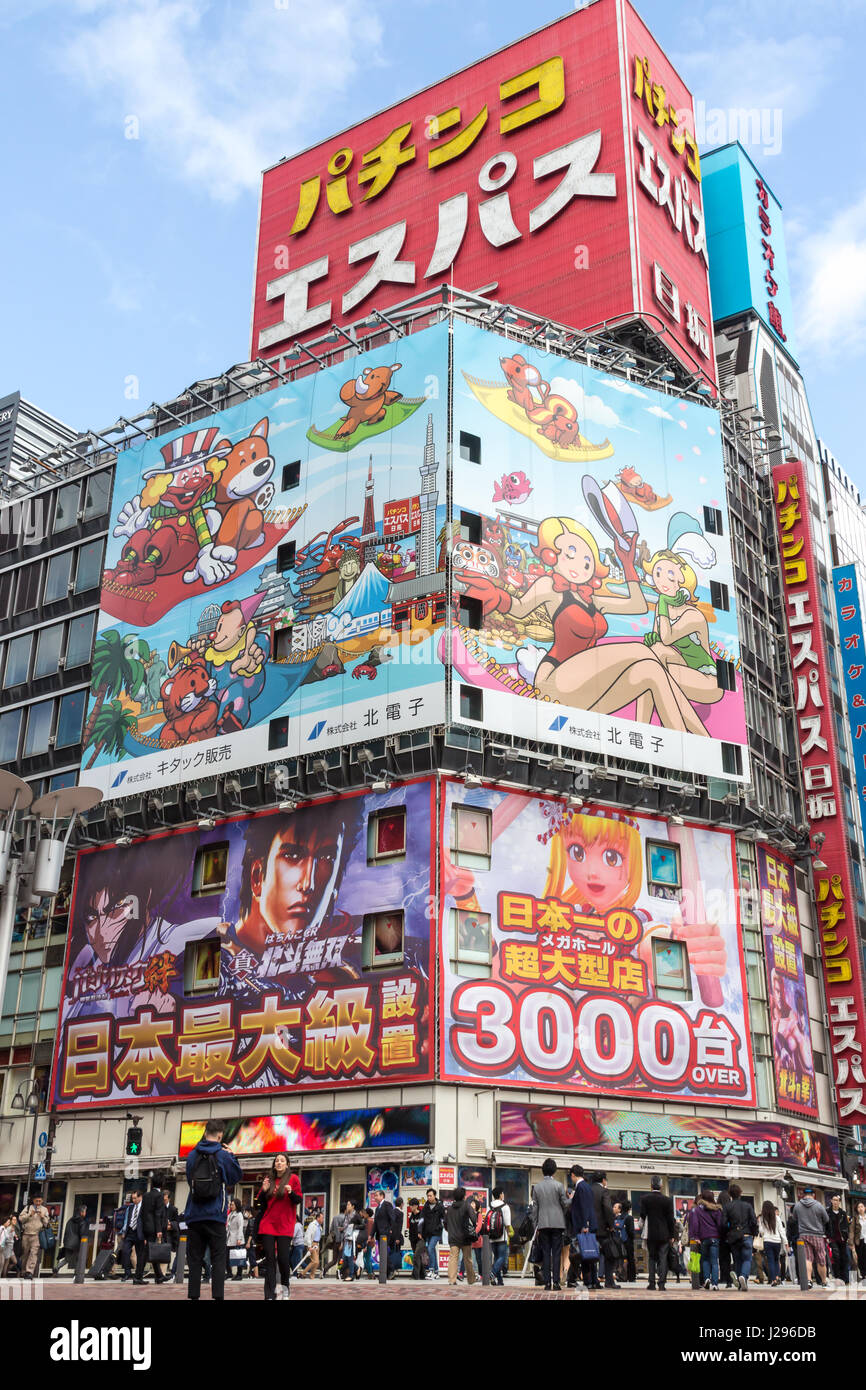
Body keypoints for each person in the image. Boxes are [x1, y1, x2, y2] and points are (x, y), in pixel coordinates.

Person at [183, 1117, 243, 1302]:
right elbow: (235, 1177)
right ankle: (218, 1296)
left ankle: (193, 1296)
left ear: (205, 1132)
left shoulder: (192, 1155)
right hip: (216, 1215)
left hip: (194, 1214)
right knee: (218, 1258)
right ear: (219, 1135)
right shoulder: (222, 1155)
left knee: (194, 1258)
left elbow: (189, 1179)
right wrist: (232, 1155)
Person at [257, 1152, 302, 1301]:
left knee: (283, 1259)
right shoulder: (268, 1179)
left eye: (282, 1161)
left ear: (287, 1164)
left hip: (285, 1225)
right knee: (269, 1259)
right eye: (277, 1160)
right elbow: (261, 1204)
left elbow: (298, 1200)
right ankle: (269, 1295)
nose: (279, 1163)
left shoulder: (293, 1179)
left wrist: (291, 1192)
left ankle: (285, 1288)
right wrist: (263, 1192)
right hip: (268, 1224)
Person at [530, 1158, 570, 1292]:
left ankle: (547, 1283)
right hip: (558, 1224)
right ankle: (557, 1283)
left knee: (546, 1253)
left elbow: (535, 1208)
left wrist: (536, 1224)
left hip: (543, 1224)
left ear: (543, 1171)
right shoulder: (559, 1186)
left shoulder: (537, 1187)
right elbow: (565, 1204)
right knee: (557, 1253)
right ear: (554, 1170)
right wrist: (571, 1199)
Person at [639, 1177, 676, 1291]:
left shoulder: (645, 1199)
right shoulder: (667, 1200)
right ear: (661, 1186)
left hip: (651, 1234)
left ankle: (651, 1283)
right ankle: (662, 1284)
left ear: (651, 1185)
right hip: (664, 1234)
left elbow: (642, 1216)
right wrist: (672, 1235)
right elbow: (670, 1219)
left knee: (651, 1258)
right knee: (663, 1258)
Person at [567, 1164, 599, 1290]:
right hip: (585, 1226)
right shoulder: (585, 1186)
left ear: (573, 1175)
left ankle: (588, 1281)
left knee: (585, 1255)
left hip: (583, 1227)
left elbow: (584, 1207)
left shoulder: (581, 1187)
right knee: (587, 1255)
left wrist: (585, 1225)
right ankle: (589, 1281)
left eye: (571, 1176)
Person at [792, 1187, 829, 1289]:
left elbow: (794, 1218)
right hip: (817, 1235)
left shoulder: (797, 1205)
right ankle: (824, 1281)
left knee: (807, 1258)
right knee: (821, 1259)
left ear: (803, 1195)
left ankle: (808, 1280)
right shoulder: (819, 1205)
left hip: (804, 1235)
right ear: (813, 1194)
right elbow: (826, 1219)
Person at [687, 1186, 723, 1290]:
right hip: (715, 1238)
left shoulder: (697, 1210)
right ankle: (715, 1284)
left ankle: (707, 1279)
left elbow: (694, 1224)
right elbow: (720, 1224)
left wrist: (696, 1236)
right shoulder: (717, 1210)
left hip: (703, 1239)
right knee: (714, 1261)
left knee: (705, 1260)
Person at [725, 1184, 758, 1291]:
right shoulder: (747, 1206)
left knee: (737, 1260)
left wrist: (729, 1232)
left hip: (734, 1236)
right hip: (746, 1235)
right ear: (740, 1193)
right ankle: (743, 1276)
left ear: (730, 1194)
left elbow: (723, 1223)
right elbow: (753, 1221)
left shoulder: (727, 1206)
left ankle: (740, 1283)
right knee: (747, 1259)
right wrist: (754, 1233)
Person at [591, 1172, 619, 1290]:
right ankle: (609, 1281)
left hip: (590, 1228)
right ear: (603, 1180)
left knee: (590, 1255)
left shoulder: (588, 1189)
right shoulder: (604, 1191)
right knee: (609, 1255)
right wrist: (611, 1225)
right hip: (603, 1229)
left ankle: (593, 1281)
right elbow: (608, 1208)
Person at [445, 1188, 478, 1287]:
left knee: (453, 1258)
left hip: (453, 1238)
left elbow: (445, 1223)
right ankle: (471, 1280)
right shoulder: (467, 1206)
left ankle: (452, 1280)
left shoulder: (449, 1208)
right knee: (467, 1259)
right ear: (463, 1196)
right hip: (465, 1237)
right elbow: (474, 1219)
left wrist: (450, 1231)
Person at [140, 1181, 169, 1284]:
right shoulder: (159, 1195)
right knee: (146, 1252)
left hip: (146, 1227)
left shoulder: (146, 1195)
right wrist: (159, 1230)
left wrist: (143, 1228)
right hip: (153, 1227)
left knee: (152, 1250)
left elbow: (142, 1212)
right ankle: (138, 1277)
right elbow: (158, 1214)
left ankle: (159, 1276)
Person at [119, 1189, 147, 1284]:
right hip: (130, 1232)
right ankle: (127, 1273)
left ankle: (138, 1275)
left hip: (140, 1234)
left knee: (140, 1256)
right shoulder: (130, 1207)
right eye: (132, 1198)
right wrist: (124, 1231)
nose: (133, 1200)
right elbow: (127, 1220)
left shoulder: (144, 1207)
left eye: (135, 1198)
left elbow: (146, 1222)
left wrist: (146, 1236)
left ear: (140, 1197)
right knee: (125, 1252)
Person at [54, 1205, 89, 1275]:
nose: (85, 1213)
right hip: (77, 1243)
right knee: (79, 1259)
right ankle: (77, 1273)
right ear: (81, 1212)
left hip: (68, 1242)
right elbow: (82, 1233)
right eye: (85, 1212)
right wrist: (84, 1241)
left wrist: (65, 1242)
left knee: (67, 1259)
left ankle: (57, 1267)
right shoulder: (82, 1221)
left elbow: (66, 1231)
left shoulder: (70, 1220)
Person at [487, 1187, 511, 1286]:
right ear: (501, 1194)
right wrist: (509, 1233)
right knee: (502, 1257)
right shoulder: (505, 1206)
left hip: (492, 1236)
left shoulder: (490, 1206)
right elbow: (507, 1223)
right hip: (502, 1236)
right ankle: (492, 1273)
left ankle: (500, 1281)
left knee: (497, 1258)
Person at [420, 1188, 446, 1281]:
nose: (429, 1197)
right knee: (432, 1251)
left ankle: (431, 1270)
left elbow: (443, 1220)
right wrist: (420, 1231)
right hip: (428, 1232)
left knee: (430, 1248)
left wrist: (440, 1227)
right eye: (428, 1196)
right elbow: (421, 1220)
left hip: (436, 1232)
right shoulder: (425, 1206)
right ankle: (436, 1272)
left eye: (430, 1195)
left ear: (434, 1196)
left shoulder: (440, 1206)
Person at [758, 1201, 784, 1287]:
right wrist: (786, 1241)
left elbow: (761, 1232)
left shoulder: (762, 1218)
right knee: (777, 1260)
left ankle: (773, 1280)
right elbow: (781, 1231)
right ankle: (777, 1277)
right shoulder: (777, 1218)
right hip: (777, 1242)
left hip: (767, 1241)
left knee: (770, 1261)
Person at [827, 1194, 850, 1286]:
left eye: (837, 1200)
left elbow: (846, 1226)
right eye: (834, 1200)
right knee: (836, 1257)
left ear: (839, 1202)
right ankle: (838, 1277)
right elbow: (825, 1225)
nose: (836, 1202)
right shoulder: (827, 1212)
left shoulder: (843, 1213)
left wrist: (846, 1236)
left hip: (842, 1239)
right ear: (831, 1201)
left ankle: (844, 1278)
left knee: (844, 1258)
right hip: (832, 1238)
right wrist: (827, 1236)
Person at [340, 1200, 364, 1282]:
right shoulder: (347, 1215)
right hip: (346, 1237)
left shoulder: (356, 1215)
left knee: (349, 1257)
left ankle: (351, 1275)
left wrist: (355, 1226)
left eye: (349, 1204)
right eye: (347, 1204)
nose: (347, 1206)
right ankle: (357, 1268)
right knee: (346, 1258)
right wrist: (342, 1229)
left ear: (353, 1206)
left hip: (352, 1239)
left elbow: (363, 1225)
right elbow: (346, 1226)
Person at [227, 1198, 247, 1281]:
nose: (231, 1206)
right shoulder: (230, 1214)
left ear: (237, 1205)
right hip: (229, 1238)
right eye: (231, 1204)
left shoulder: (239, 1215)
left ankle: (239, 1275)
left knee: (239, 1257)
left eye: (233, 1204)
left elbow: (240, 1228)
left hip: (237, 1238)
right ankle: (229, 1273)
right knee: (227, 1257)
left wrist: (239, 1239)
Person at [406, 1200, 426, 1279]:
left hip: (420, 1239)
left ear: (416, 1206)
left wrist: (422, 1234)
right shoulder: (411, 1216)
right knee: (418, 1257)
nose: (410, 1207)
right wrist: (410, 1238)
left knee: (416, 1256)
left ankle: (415, 1275)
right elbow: (410, 1228)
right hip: (413, 1239)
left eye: (412, 1205)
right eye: (410, 1205)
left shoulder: (421, 1215)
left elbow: (424, 1226)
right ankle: (422, 1274)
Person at [164, 1191, 180, 1276]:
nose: (163, 1201)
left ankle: (167, 1270)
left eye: (165, 1200)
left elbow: (177, 1222)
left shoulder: (173, 1209)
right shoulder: (159, 1208)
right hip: (161, 1233)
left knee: (167, 1252)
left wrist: (171, 1225)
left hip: (170, 1234)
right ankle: (162, 1271)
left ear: (169, 1199)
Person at [851, 1199, 866, 1280]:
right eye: (858, 1207)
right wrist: (851, 1244)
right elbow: (852, 1232)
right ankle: (864, 1275)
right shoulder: (855, 1218)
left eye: (862, 1206)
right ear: (856, 1209)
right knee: (861, 1258)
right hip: (859, 1241)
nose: (860, 1208)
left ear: (865, 1208)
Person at [303, 1212, 322, 1279]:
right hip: (312, 1244)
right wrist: (309, 1246)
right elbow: (308, 1235)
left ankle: (312, 1275)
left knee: (317, 1262)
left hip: (317, 1244)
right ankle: (303, 1273)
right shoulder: (312, 1225)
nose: (323, 1219)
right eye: (322, 1218)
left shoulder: (320, 1227)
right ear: (318, 1218)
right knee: (315, 1261)